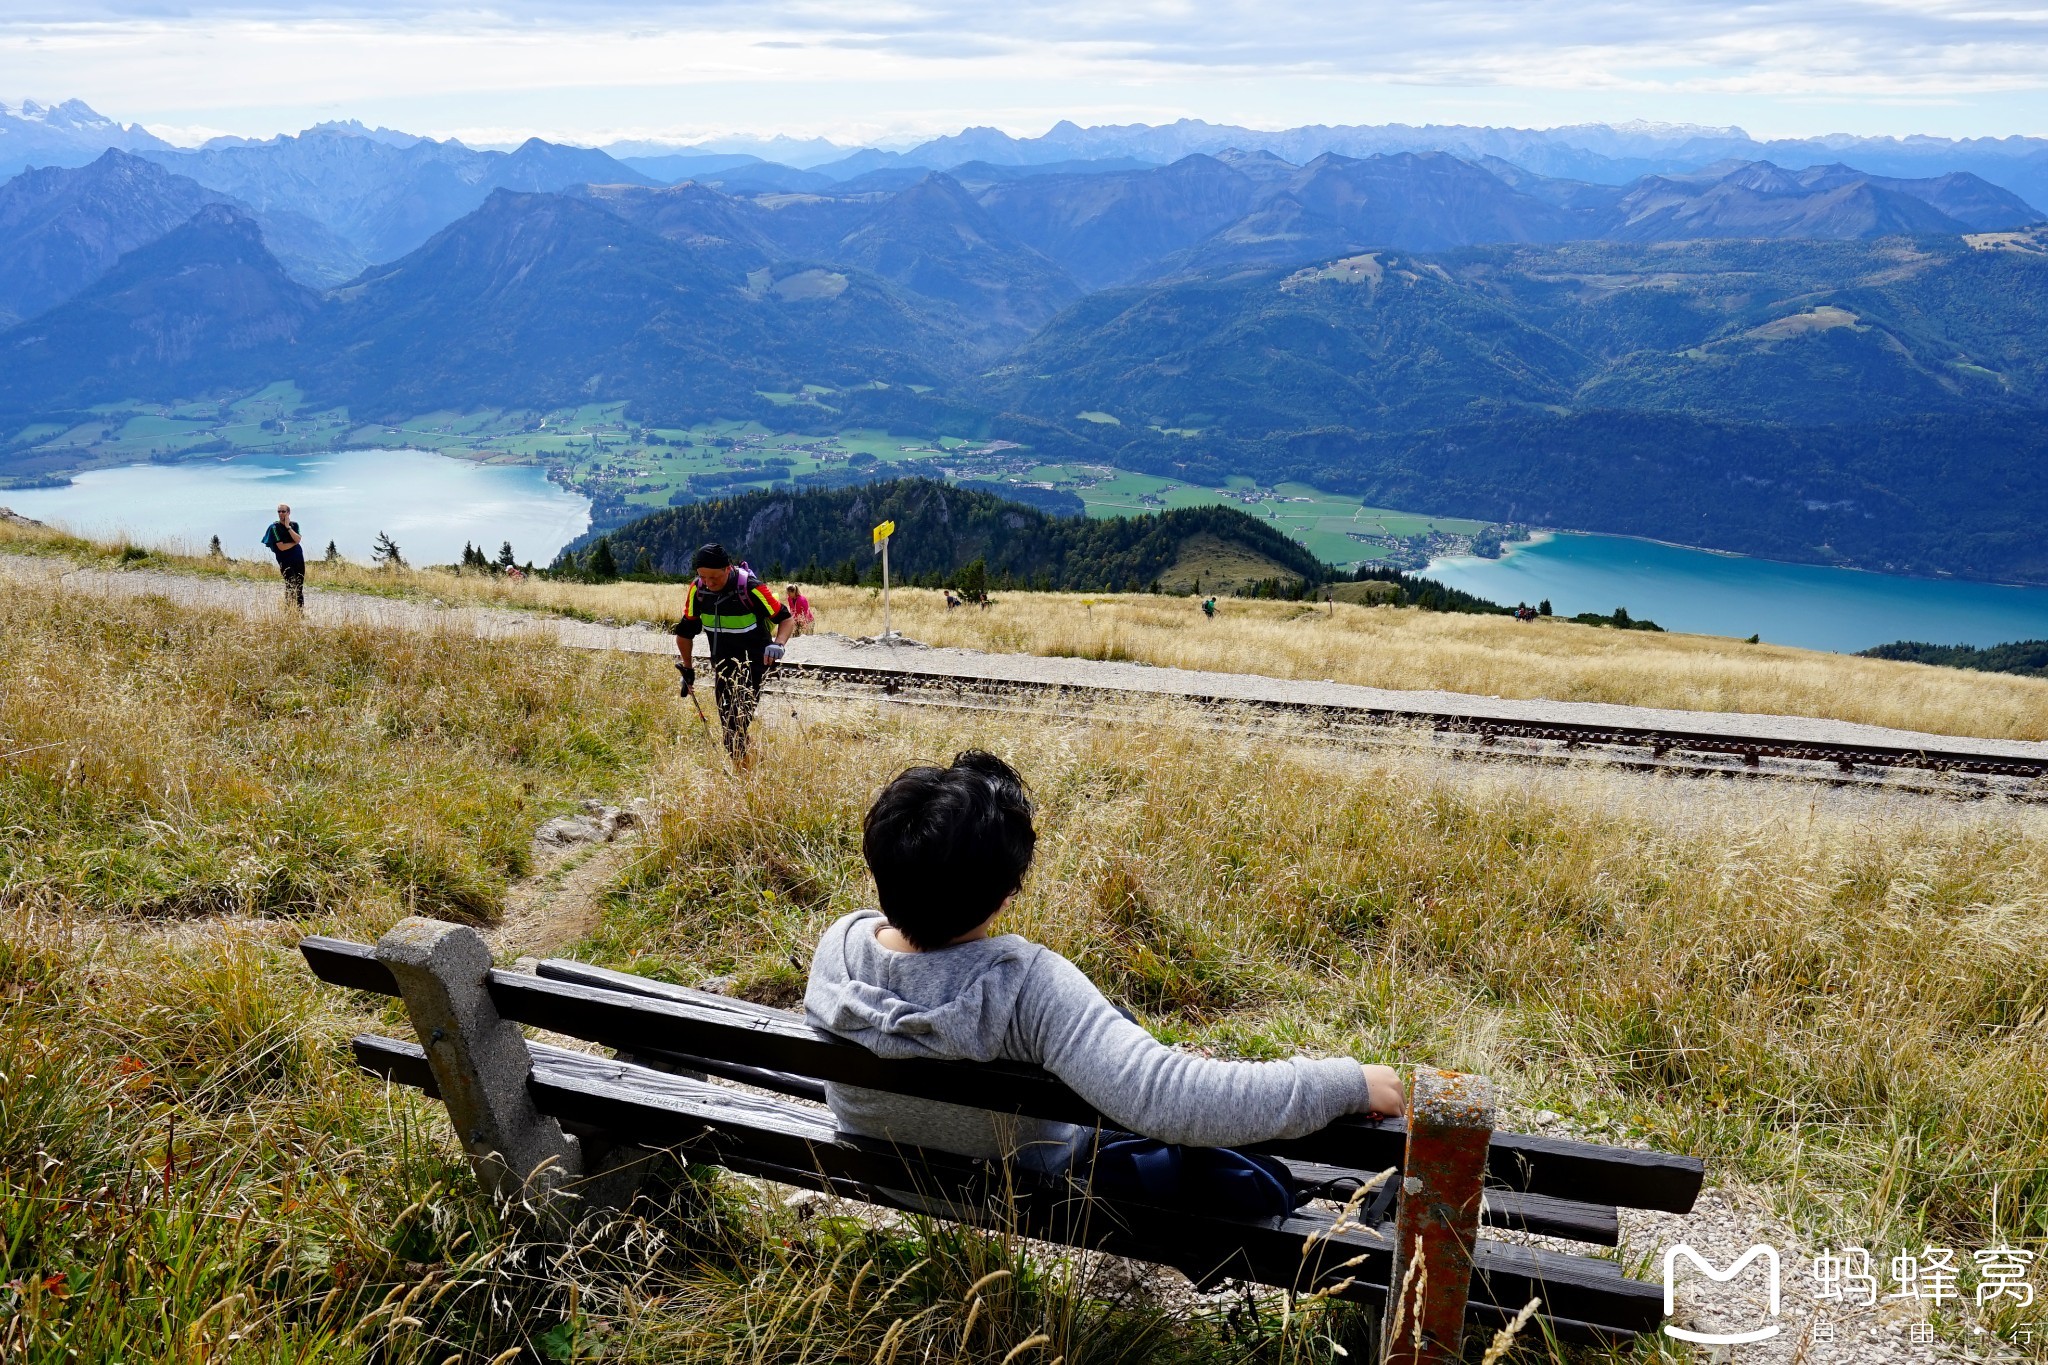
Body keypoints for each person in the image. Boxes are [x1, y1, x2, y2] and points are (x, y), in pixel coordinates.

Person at [805, 751, 1404, 1181]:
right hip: (1017, 1187)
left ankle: (1129, 1048)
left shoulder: (840, 947)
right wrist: (1345, 1083)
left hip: (886, 1170)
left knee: (1109, 1038)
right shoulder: (1028, 987)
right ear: (1005, 895)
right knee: (1132, 1061)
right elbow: (1174, 1102)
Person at [674, 544, 794, 764]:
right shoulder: (698, 590)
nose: (709, 583)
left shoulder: (751, 587)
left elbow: (785, 618)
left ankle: (745, 781)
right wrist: (688, 669)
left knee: (732, 728)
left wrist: (779, 644)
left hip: (755, 663)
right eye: (703, 577)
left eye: (715, 578)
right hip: (723, 666)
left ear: (728, 569)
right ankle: (756, 762)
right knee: (733, 725)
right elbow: (685, 632)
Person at [260, 502, 305, 610]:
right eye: (279, 511)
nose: (281, 513)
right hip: (284, 559)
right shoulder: (274, 528)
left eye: (283, 511)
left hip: (298, 557)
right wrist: (294, 543)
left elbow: (298, 539)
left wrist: (288, 527)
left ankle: (299, 611)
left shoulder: (294, 525)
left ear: (288, 512)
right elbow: (281, 547)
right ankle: (288, 610)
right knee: (290, 583)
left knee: (299, 584)